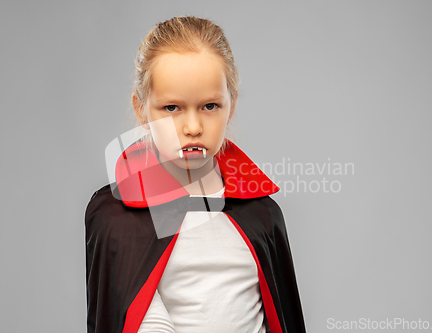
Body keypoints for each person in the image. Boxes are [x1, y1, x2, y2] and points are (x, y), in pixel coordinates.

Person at [85, 16, 306, 333]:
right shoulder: (116, 217)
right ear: (141, 110)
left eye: (210, 106)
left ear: (231, 106)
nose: (192, 127)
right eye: (172, 108)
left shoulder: (262, 214)